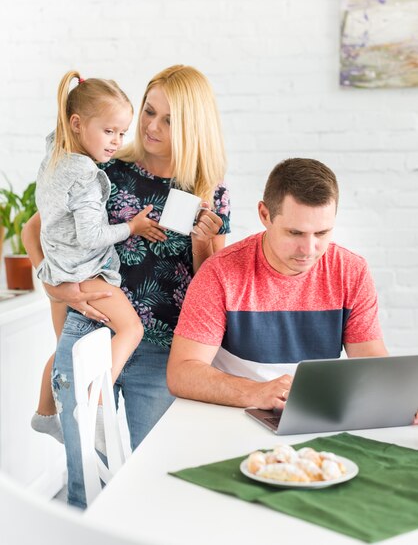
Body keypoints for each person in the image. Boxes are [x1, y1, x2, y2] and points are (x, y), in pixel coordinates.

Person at [22, 64, 231, 508]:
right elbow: (35, 233)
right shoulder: (103, 167)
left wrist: (201, 241)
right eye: (149, 111)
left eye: (169, 119)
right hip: (90, 334)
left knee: (154, 479)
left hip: (162, 351)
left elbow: (210, 287)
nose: (152, 126)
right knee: (84, 483)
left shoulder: (209, 190)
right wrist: (58, 288)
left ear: (194, 125)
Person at [167, 157, 389, 409]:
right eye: (295, 233)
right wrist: (255, 393)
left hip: (316, 413)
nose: (309, 249)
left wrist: (399, 396)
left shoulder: (351, 271)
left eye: (322, 233)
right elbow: (181, 373)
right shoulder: (221, 272)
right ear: (265, 214)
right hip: (236, 414)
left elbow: (371, 361)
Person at [31, 70, 148, 449]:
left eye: (122, 133)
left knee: (62, 348)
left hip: (57, 271)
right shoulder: (85, 175)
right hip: (86, 273)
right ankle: (96, 402)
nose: (116, 142)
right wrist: (133, 227)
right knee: (132, 330)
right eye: (109, 131)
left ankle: (45, 414)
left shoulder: (55, 153)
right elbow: (92, 236)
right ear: (78, 124)